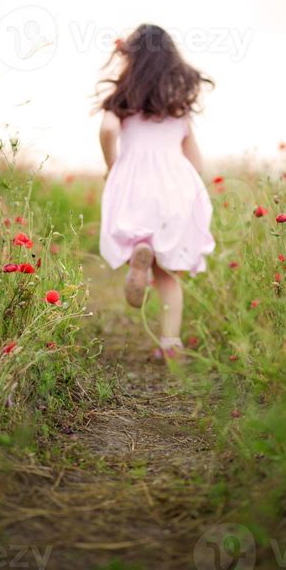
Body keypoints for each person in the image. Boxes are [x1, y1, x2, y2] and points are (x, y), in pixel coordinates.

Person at [97, 24, 215, 359]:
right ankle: (170, 344)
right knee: (168, 273)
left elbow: (107, 129)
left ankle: (140, 251)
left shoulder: (121, 101)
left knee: (139, 230)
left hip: (134, 180)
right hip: (175, 184)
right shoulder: (179, 107)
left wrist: (112, 163)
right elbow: (197, 160)